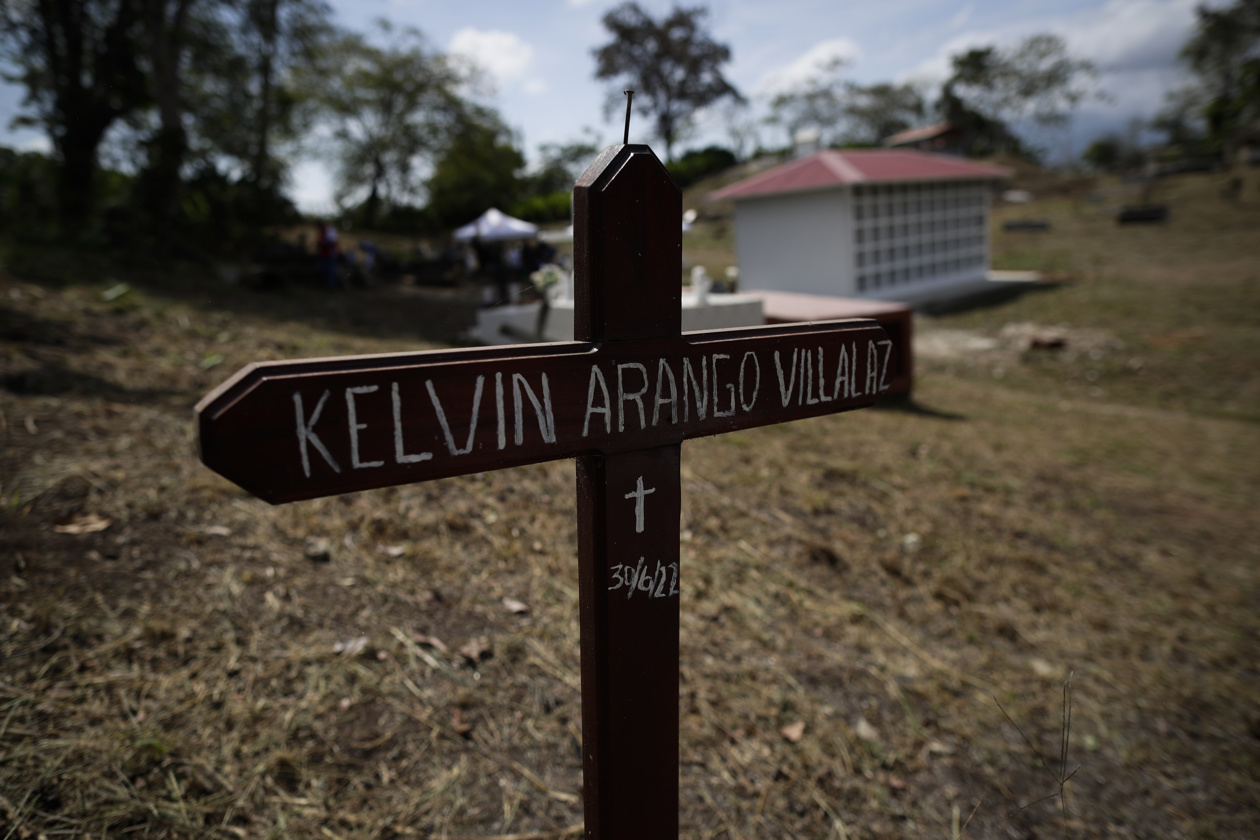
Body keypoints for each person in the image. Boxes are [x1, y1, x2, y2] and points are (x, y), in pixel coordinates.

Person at [315, 219, 340, 290]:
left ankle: (331, 286)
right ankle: (324, 285)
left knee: (330, 271)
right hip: (323, 254)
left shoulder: (330, 230)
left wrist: (322, 244)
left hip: (330, 254)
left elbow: (332, 242)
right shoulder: (321, 231)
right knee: (323, 270)